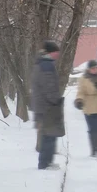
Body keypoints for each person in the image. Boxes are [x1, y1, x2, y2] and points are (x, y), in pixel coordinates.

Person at [31, 41, 65, 170]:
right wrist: (55, 100)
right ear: (51, 52)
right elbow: (49, 86)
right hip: (47, 107)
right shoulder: (46, 66)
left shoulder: (41, 63)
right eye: (56, 52)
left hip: (42, 105)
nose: (57, 55)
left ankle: (47, 162)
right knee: (49, 135)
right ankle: (45, 163)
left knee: (48, 134)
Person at [74, 60, 97, 160]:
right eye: (92, 68)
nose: (94, 70)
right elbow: (80, 91)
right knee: (92, 130)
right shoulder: (84, 78)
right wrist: (79, 101)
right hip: (89, 107)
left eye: (96, 68)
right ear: (88, 69)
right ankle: (94, 150)